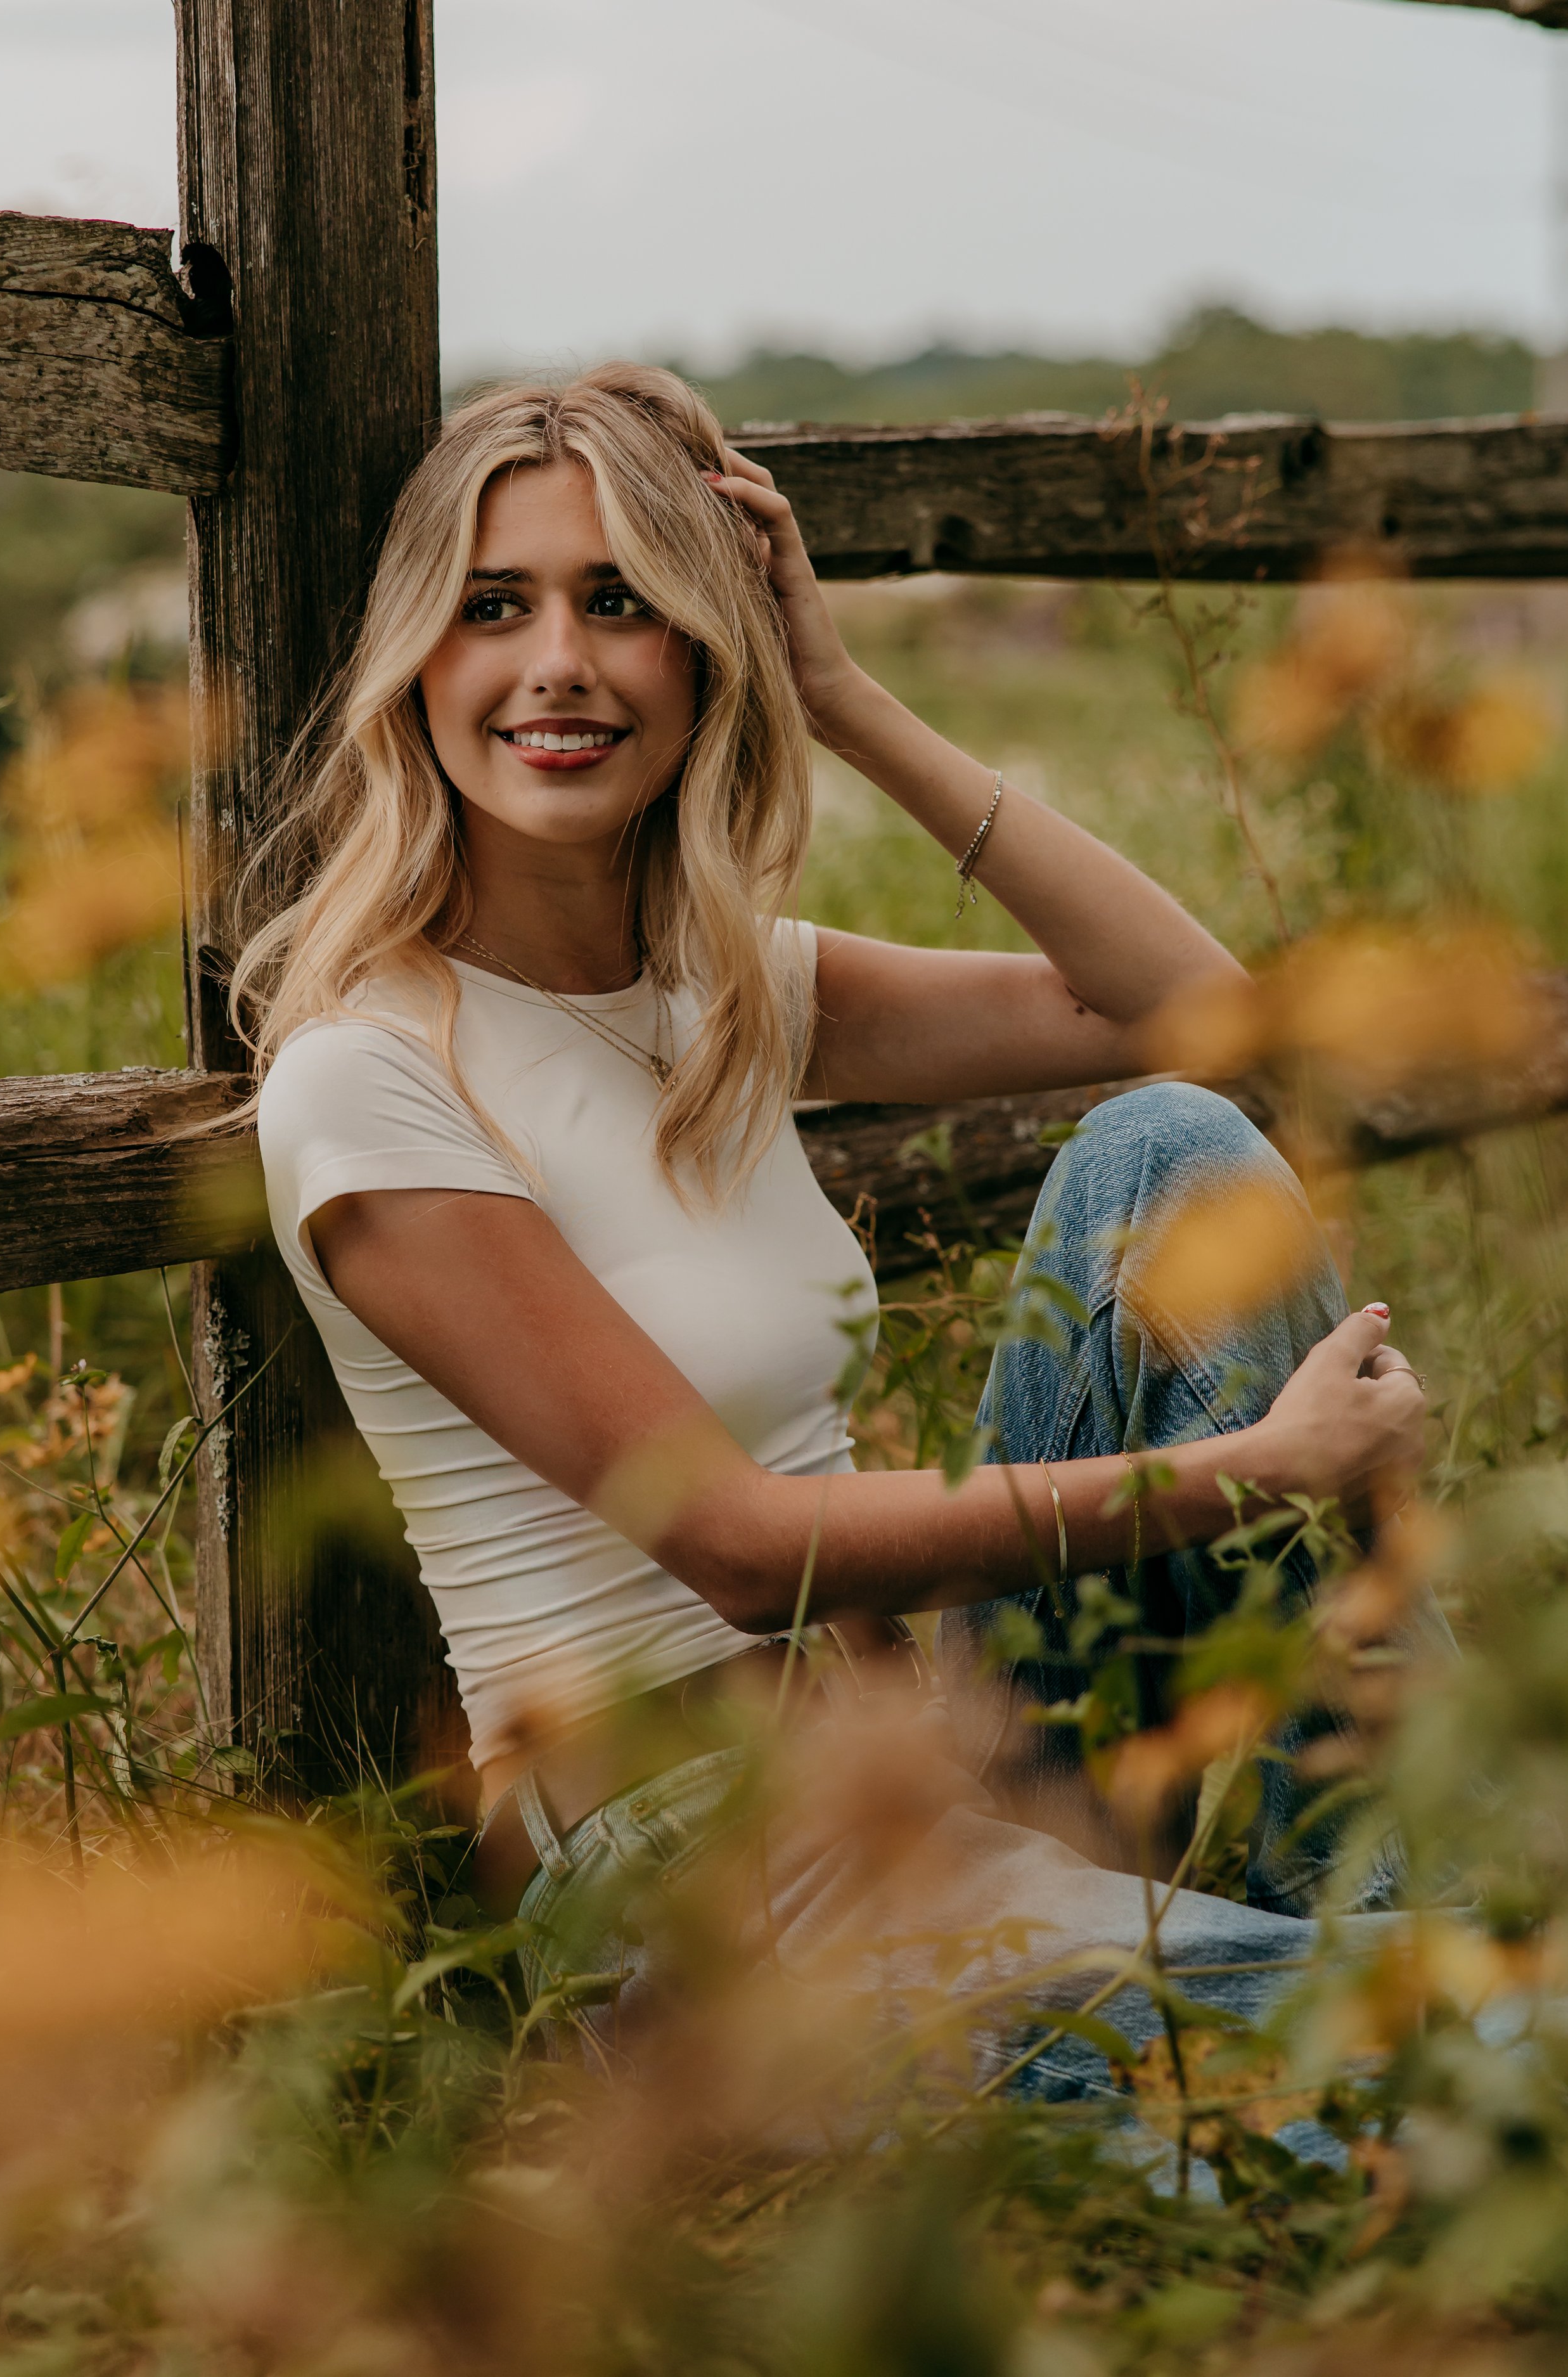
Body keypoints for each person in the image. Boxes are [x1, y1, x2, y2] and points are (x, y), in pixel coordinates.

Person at [247, 364, 1427, 2076]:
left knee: (1165, 1145)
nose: (558, 660)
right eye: (493, 606)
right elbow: (725, 1541)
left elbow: (1195, 1019)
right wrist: (1261, 1467)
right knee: (1465, 2054)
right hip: (697, 1867)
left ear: (706, 659)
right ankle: (1405, 1991)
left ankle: (1393, 1924)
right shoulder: (368, 1073)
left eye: (626, 603)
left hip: (938, 1766)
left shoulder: (732, 997)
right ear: (417, 661)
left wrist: (846, 695)